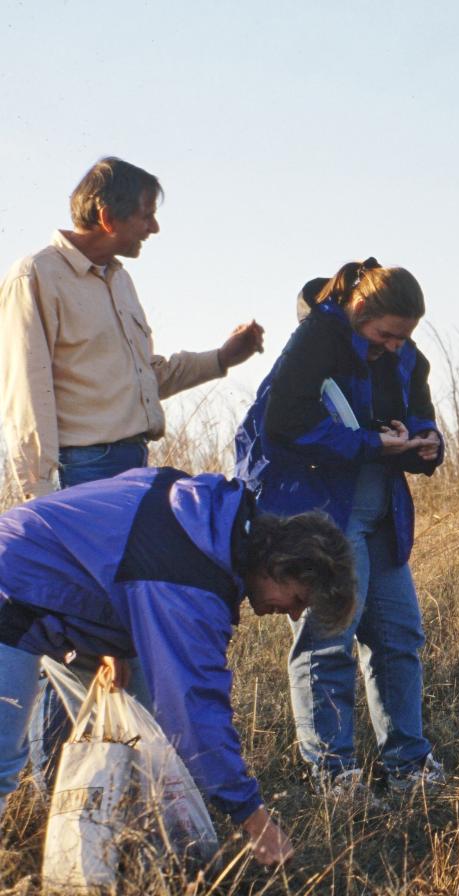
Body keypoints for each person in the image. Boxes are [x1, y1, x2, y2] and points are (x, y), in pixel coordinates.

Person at [0, 156, 265, 798]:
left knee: (125, 656)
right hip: (81, 478)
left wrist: (220, 360)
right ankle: (53, 791)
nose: (152, 228)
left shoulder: (118, 281)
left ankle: (103, 796)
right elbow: (25, 398)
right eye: (146, 213)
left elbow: (147, 375)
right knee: (71, 645)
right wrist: (43, 506)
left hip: (129, 472)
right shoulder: (37, 276)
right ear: (106, 213)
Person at [0, 467, 355, 866]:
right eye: (297, 599)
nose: (291, 613)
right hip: (12, 589)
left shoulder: (208, 518)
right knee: (2, 763)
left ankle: (99, 861)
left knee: (126, 741)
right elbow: (192, 712)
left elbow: (114, 547)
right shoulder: (192, 580)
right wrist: (255, 820)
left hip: (33, 573)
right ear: (281, 565)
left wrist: (109, 639)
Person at [235, 258, 445, 796]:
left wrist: (425, 445)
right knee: (328, 642)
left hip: (382, 517)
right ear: (359, 309)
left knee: (399, 638)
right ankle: (334, 773)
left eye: (404, 336)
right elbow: (286, 426)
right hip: (322, 516)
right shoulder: (317, 341)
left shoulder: (403, 354)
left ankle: (409, 768)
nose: (396, 345)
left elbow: (420, 414)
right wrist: (373, 445)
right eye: (386, 334)